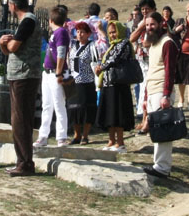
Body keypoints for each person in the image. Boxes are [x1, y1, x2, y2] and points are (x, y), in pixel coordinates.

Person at [0, 0, 41, 177]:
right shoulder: (25, 22)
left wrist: (7, 43)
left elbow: (14, 47)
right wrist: (3, 43)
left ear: (13, 5)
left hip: (25, 75)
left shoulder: (28, 21)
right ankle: (22, 160)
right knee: (18, 119)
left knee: (21, 119)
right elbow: (8, 50)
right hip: (19, 75)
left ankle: (25, 163)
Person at [141, 11, 178, 179]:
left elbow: (170, 71)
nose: (149, 28)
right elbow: (152, 72)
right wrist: (145, 98)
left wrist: (166, 95)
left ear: (161, 23)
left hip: (162, 92)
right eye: (147, 25)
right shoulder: (153, 44)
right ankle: (159, 164)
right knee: (156, 131)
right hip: (153, 91)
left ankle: (162, 167)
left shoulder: (167, 43)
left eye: (152, 24)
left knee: (163, 131)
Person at [96, 19, 136, 152]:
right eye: (110, 33)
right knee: (110, 114)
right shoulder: (112, 45)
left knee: (119, 114)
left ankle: (120, 142)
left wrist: (101, 67)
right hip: (108, 84)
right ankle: (111, 140)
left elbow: (115, 59)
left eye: (114, 32)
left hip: (119, 84)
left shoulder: (124, 43)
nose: (113, 35)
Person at [36, 7, 72, 148]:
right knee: (47, 105)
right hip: (47, 73)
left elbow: (61, 54)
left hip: (56, 74)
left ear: (50, 20)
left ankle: (61, 137)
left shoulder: (61, 32)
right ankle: (43, 135)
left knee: (59, 105)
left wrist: (58, 72)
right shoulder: (56, 33)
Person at [69, 21, 99, 144]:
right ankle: (76, 135)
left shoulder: (92, 46)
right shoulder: (73, 45)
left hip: (87, 82)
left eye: (82, 32)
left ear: (88, 34)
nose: (80, 34)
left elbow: (96, 61)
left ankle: (85, 135)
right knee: (74, 109)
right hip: (73, 81)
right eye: (78, 31)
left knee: (86, 109)